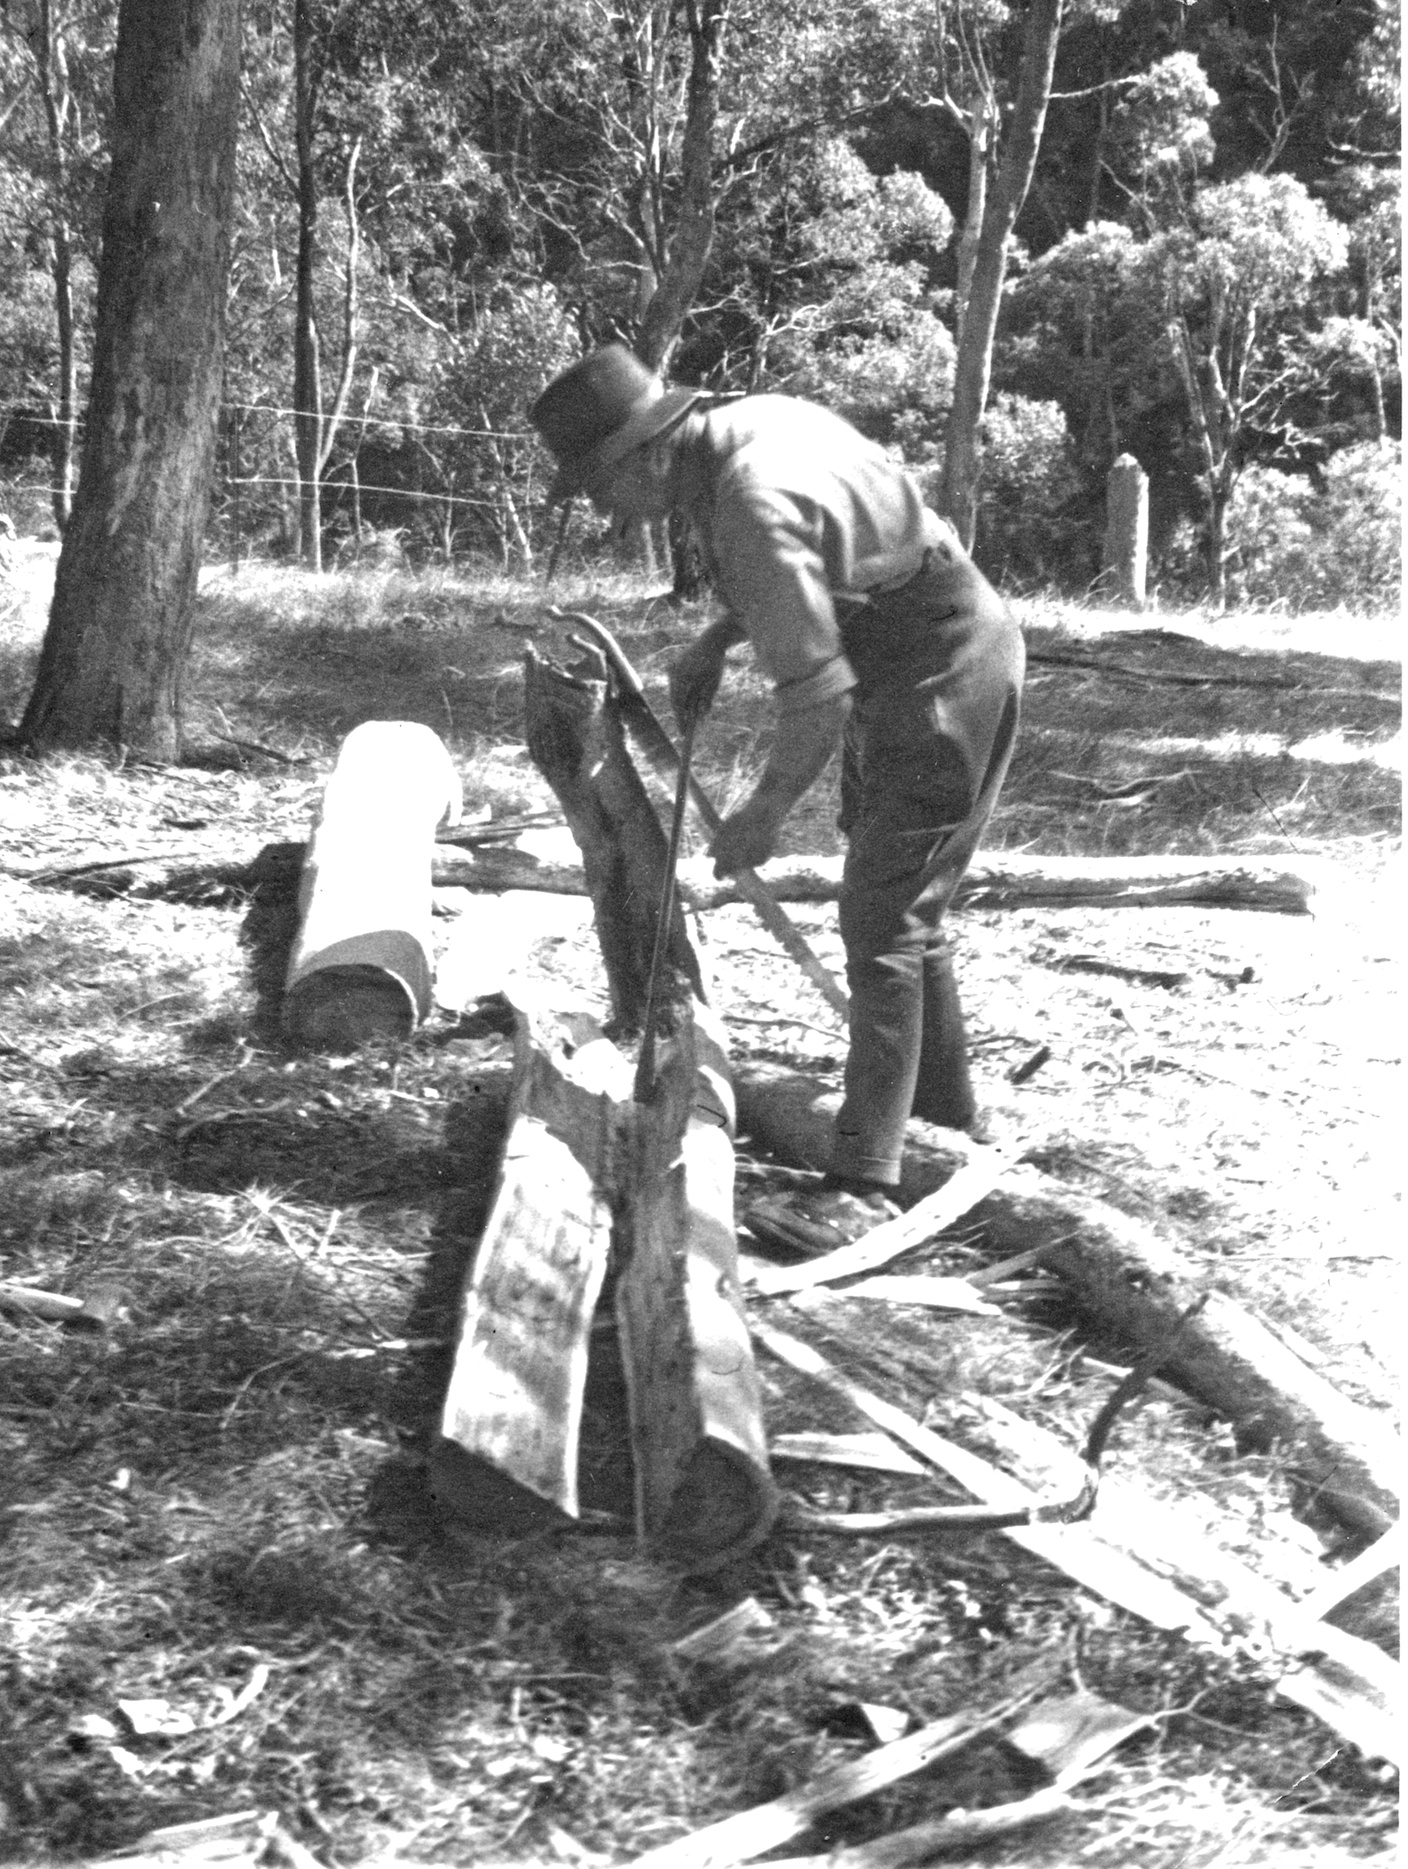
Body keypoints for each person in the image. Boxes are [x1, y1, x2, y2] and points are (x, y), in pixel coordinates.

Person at [530, 344, 1024, 1250]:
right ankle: (944, 1131)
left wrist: (761, 814)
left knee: (885, 919)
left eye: (599, 487)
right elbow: (831, 543)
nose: (603, 510)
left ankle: (866, 1186)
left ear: (646, 453)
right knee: (906, 906)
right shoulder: (749, 424)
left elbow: (821, 697)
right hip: (909, 636)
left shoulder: (746, 501)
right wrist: (723, 635)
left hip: (944, 658)